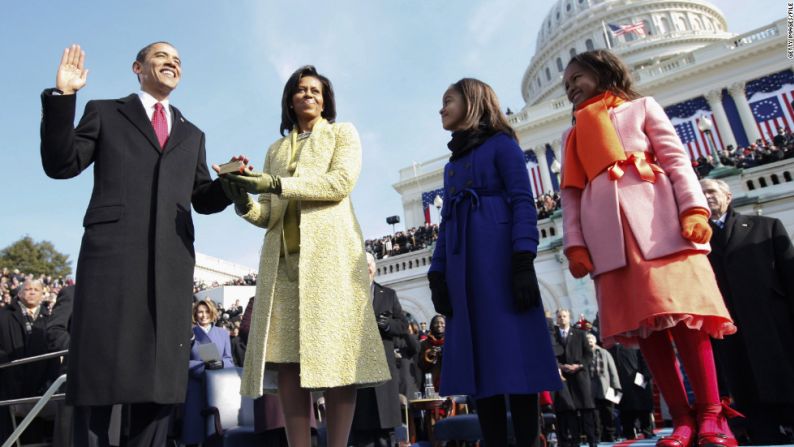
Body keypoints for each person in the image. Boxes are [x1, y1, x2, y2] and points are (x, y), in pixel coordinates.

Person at [39, 42, 231, 446]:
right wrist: (64, 97)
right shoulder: (106, 112)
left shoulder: (192, 134)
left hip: (170, 268)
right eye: (162, 57)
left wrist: (230, 183)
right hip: (111, 262)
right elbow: (61, 164)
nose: (172, 63)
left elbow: (203, 198)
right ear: (137, 67)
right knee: (98, 381)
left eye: (178, 60)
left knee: (158, 387)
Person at [559, 49, 738, 447]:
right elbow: (570, 194)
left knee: (685, 320)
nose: (570, 86)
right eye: (566, 82)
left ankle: (710, 413)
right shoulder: (571, 134)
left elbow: (676, 160)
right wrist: (575, 244)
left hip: (660, 226)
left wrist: (693, 209)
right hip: (611, 241)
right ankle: (683, 420)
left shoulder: (641, 107)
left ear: (602, 72)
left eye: (577, 77)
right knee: (648, 334)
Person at [221, 65, 389, 447]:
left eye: (315, 90)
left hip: (330, 262)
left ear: (326, 99)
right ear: (290, 101)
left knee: (338, 356)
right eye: (300, 90)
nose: (308, 95)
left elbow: (339, 183)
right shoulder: (276, 149)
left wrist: (276, 183)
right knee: (288, 363)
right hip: (282, 265)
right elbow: (268, 214)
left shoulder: (342, 133)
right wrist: (241, 199)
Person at [427, 77, 562, 447]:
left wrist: (522, 258)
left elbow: (522, 200)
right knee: (478, 364)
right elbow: (448, 220)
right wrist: (437, 272)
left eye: (448, 100)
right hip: (463, 270)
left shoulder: (503, 146)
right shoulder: (452, 165)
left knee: (515, 358)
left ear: (471, 102)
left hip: (500, 264)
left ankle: (528, 441)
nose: (441, 109)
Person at [701, 178, 794, 444]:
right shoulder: (696, 241)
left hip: (773, 324)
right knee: (744, 385)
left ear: (728, 195)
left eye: (711, 191)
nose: (706, 197)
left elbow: (789, 276)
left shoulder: (766, 226)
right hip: (730, 330)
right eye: (700, 193)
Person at [350, 253, 408, 446]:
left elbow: (403, 325)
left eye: (369, 264)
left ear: (374, 268)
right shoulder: (349, 296)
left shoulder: (388, 294)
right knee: (363, 430)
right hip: (359, 369)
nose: (366, 268)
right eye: (362, 264)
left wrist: (388, 325)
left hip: (384, 370)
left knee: (386, 432)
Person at [0, 280, 58, 443]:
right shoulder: (3, 316)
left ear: (42, 294)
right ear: (19, 293)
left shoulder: (50, 319)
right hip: (10, 384)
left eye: (36, 290)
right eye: (28, 289)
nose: (32, 292)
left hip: (41, 387)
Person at [181, 299, 234, 446]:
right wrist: (204, 366)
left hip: (217, 388)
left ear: (212, 313)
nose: (203, 315)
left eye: (206, 312)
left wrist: (222, 364)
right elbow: (182, 362)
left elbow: (229, 360)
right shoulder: (190, 333)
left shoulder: (223, 334)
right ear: (195, 314)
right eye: (200, 312)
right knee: (194, 430)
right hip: (195, 387)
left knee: (214, 432)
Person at [552, 309, 596, 447]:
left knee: (586, 410)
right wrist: (559, 366)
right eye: (559, 317)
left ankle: (592, 441)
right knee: (569, 411)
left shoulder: (580, 334)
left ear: (569, 317)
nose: (562, 319)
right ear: (556, 319)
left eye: (564, 316)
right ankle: (574, 441)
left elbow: (589, 355)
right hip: (563, 378)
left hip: (580, 377)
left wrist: (578, 365)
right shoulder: (553, 336)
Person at [609, 344, 654, 440]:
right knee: (625, 410)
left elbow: (645, 361)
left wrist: (645, 376)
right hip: (621, 383)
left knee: (643, 409)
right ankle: (628, 432)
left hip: (638, 381)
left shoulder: (636, 346)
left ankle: (647, 430)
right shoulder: (611, 348)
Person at [586, 332, 621, 442]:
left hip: (605, 387)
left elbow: (612, 370)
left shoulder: (604, 352)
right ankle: (598, 436)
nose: (589, 341)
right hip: (590, 388)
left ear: (595, 341)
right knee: (595, 415)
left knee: (608, 413)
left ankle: (610, 435)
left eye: (591, 339)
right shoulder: (583, 353)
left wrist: (616, 386)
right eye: (587, 340)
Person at [417, 315, 445, 393]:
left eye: (442, 323)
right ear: (432, 325)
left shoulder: (451, 342)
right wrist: (430, 355)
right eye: (436, 323)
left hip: (450, 380)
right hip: (431, 383)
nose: (439, 325)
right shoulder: (424, 343)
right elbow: (421, 365)